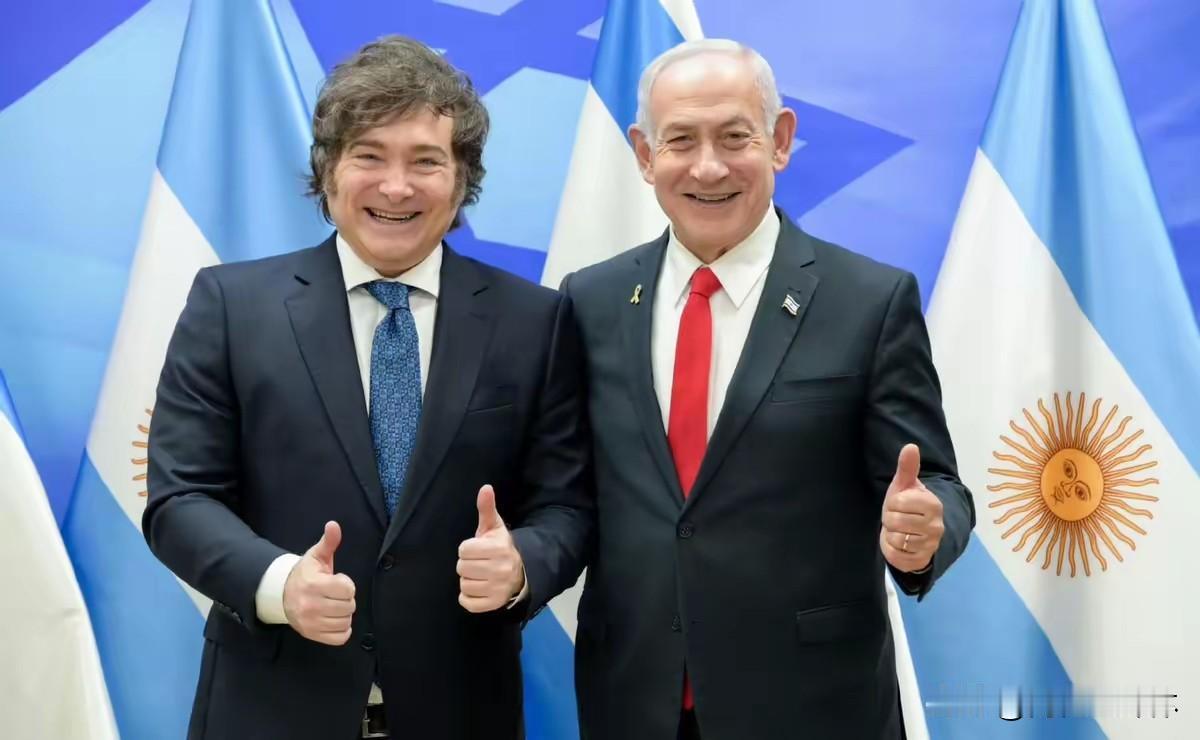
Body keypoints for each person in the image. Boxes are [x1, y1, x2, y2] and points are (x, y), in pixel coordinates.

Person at [144, 36, 591, 740]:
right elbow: (180, 498)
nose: (396, 187)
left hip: (462, 711)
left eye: (426, 161)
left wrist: (522, 565)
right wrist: (278, 584)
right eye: (369, 156)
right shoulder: (231, 306)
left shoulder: (535, 320)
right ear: (328, 170)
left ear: (462, 179)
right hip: (270, 708)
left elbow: (567, 503)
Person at [564, 39, 975, 740]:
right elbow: (573, 496)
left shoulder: (869, 301)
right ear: (644, 154)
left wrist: (926, 530)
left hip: (813, 705)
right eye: (680, 141)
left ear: (780, 141)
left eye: (735, 137)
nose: (708, 167)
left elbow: (935, 480)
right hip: (634, 699)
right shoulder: (590, 300)